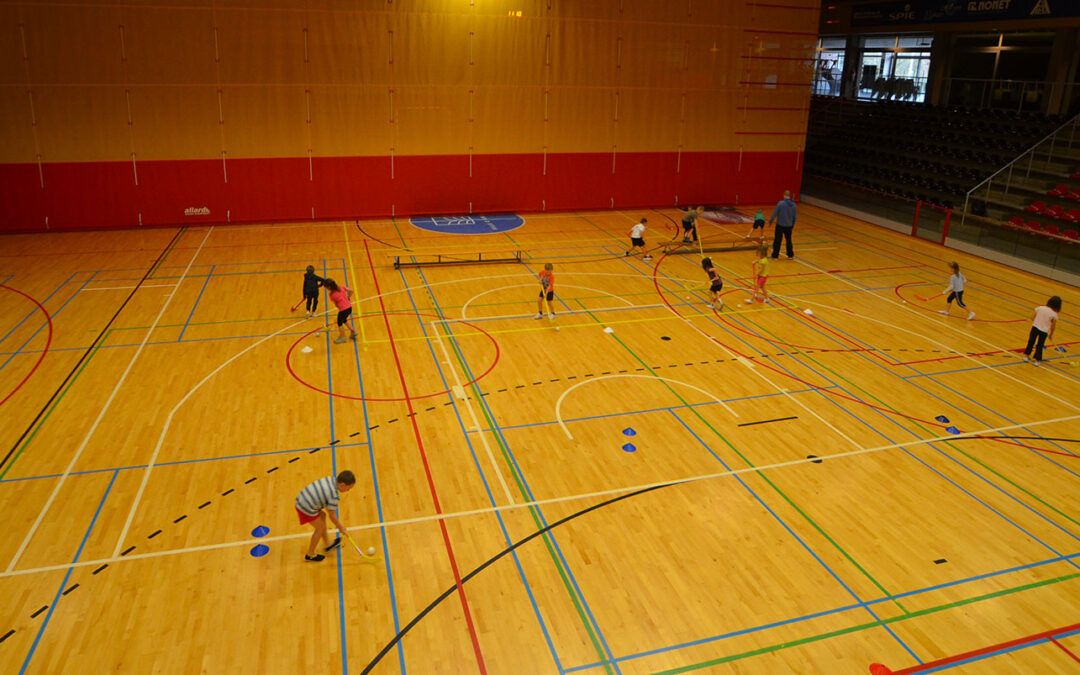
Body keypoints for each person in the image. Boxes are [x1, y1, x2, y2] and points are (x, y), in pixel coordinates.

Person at [295, 470, 356, 562]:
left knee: (322, 516)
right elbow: (332, 514)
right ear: (343, 485)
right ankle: (310, 554)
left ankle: (328, 543)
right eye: (348, 488)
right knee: (320, 528)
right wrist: (341, 527)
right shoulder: (334, 495)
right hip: (305, 507)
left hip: (302, 499)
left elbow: (327, 509)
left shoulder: (330, 479)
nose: (348, 490)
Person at [1022, 295, 1061, 366]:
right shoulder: (1054, 314)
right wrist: (1051, 334)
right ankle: (1036, 360)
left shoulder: (1040, 308)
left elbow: (1032, 317)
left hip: (1035, 328)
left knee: (1031, 341)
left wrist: (1037, 322)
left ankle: (1026, 356)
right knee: (1040, 345)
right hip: (1044, 331)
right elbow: (1053, 326)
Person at [323, 278, 357, 343]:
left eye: (326, 287)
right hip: (349, 307)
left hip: (343, 310)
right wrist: (348, 297)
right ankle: (353, 331)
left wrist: (339, 306)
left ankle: (343, 337)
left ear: (329, 287)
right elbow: (351, 290)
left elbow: (336, 304)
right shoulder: (341, 287)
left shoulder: (332, 295)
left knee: (339, 323)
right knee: (344, 320)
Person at [769, 190, 798, 259]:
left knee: (777, 240)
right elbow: (795, 217)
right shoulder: (794, 205)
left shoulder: (780, 204)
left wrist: (770, 221)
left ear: (784, 195)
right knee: (788, 240)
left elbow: (775, 213)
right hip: (789, 226)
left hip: (780, 225)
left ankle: (775, 255)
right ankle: (790, 255)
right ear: (789, 195)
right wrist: (792, 224)